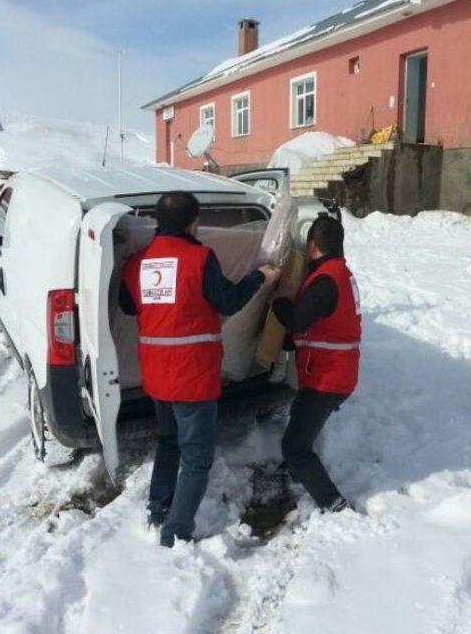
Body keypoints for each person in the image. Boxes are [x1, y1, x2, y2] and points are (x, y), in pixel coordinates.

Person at [120, 191, 280, 547]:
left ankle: (158, 508)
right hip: (193, 376)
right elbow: (229, 301)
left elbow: (127, 307)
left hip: (157, 373)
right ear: (193, 223)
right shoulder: (199, 257)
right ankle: (175, 532)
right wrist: (259, 278)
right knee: (196, 458)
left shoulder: (139, 261)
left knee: (167, 441)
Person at [272, 215, 361, 513]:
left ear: (312, 246)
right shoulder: (337, 272)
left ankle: (333, 503)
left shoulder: (326, 280)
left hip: (329, 378)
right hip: (329, 372)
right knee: (300, 415)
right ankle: (295, 471)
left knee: (295, 447)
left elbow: (298, 318)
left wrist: (279, 302)